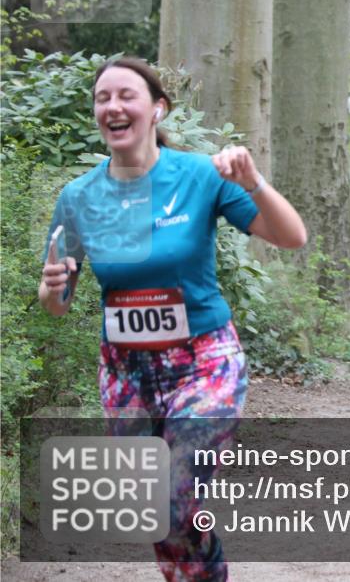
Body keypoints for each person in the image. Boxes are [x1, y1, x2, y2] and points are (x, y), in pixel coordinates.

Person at [39, 57, 307, 580]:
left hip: (203, 363)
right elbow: (58, 302)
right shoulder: (79, 197)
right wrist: (52, 288)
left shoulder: (202, 176)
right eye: (102, 98)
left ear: (157, 108)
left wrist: (255, 183)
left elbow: (291, 236)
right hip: (124, 373)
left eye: (126, 96)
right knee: (157, 515)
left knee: (175, 496)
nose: (113, 107)